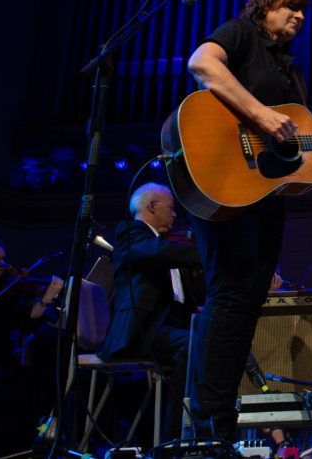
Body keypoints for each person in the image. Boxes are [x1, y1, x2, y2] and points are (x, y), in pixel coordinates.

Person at [185, 0, 312, 440]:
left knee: (247, 301)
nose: (300, 17)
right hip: (225, 179)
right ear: (265, 6)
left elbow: (295, 144)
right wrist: (262, 115)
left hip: (264, 193)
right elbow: (202, 64)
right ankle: (210, 425)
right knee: (230, 295)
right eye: (291, 7)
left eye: (304, 12)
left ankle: (220, 421)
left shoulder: (288, 68)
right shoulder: (241, 33)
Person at [99, 182, 201, 441]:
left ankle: (202, 424)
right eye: (171, 208)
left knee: (212, 338)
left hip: (167, 327)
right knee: (192, 346)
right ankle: (174, 437)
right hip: (142, 330)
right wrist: (209, 253)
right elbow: (156, 252)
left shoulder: (163, 245)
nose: (176, 214)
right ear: (152, 206)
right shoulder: (130, 233)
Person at [0, 239, 64, 456]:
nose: (2, 263)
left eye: (3, 259)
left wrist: (47, 297)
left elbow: (30, 317)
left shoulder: (9, 289)